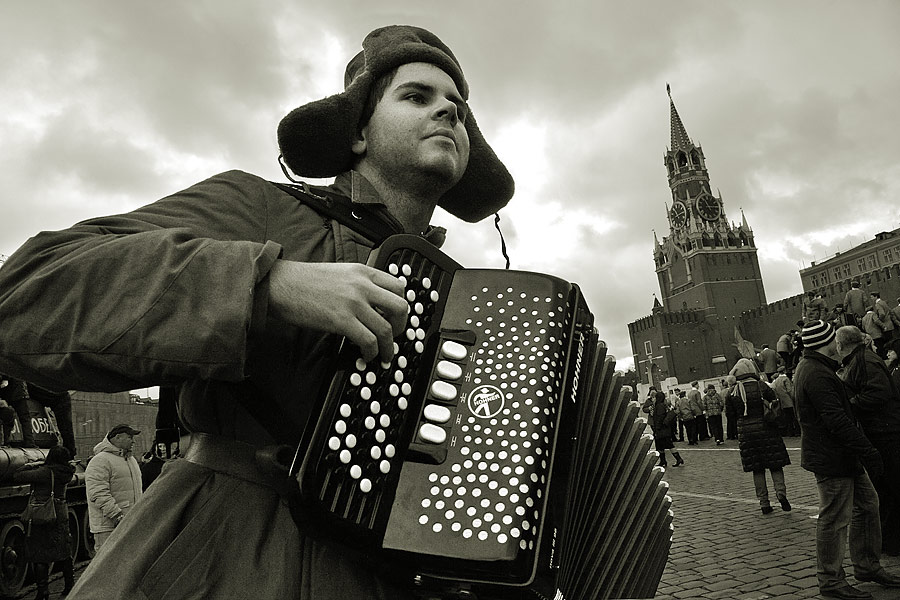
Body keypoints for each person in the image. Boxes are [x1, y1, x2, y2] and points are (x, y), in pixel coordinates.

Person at [0, 25, 514, 599]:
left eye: (458, 108)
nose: (448, 111)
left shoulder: (463, 299)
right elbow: (23, 293)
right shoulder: (262, 206)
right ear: (359, 135)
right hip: (231, 558)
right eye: (416, 96)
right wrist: (269, 284)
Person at [793, 320, 900, 599]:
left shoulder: (817, 368)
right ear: (826, 344)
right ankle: (830, 579)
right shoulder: (816, 373)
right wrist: (867, 450)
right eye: (833, 339)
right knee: (834, 518)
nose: (837, 344)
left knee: (867, 505)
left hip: (842, 454)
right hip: (832, 456)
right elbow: (836, 420)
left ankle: (866, 564)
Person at [835, 325, 900, 556]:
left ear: (841, 344)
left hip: (886, 433)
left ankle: (893, 541)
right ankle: (889, 540)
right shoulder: (860, 359)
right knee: (885, 488)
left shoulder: (865, 361)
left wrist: (850, 404)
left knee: (891, 487)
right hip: (881, 431)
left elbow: (879, 393)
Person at [13, 445, 77, 599]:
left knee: (40, 554)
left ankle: (43, 591)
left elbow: (17, 475)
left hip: (44, 514)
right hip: (60, 513)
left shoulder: (45, 472)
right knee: (64, 550)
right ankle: (69, 585)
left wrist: (31, 465)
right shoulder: (67, 472)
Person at [728, 358, 792, 515]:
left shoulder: (734, 391)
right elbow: (774, 402)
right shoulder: (761, 385)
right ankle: (781, 493)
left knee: (757, 469)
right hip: (767, 428)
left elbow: (730, 414)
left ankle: (764, 503)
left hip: (747, 433)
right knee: (775, 464)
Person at [85, 424, 143, 552]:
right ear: (117, 437)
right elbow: (98, 493)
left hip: (128, 523)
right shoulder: (100, 461)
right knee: (108, 562)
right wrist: (116, 515)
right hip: (109, 527)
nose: (133, 441)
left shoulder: (130, 460)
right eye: (130, 437)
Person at [643, 391, 683, 467]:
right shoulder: (662, 405)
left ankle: (676, 459)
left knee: (666, 444)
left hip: (661, 429)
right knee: (661, 445)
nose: (653, 399)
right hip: (664, 429)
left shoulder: (659, 406)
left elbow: (660, 418)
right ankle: (665, 460)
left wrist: (657, 428)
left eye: (655, 397)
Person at [770, 369, 800, 437]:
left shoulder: (776, 381)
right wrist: (794, 398)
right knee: (794, 417)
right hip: (789, 401)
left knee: (787, 418)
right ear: (784, 371)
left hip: (782, 402)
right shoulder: (786, 379)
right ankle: (797, 432)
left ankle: (789, 432)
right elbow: (789, 390)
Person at [723, 375, 743, 440]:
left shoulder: (729, 392)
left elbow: (727, 403)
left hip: (731, 411)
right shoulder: (740, 388)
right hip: (739, 409)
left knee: (732, 424)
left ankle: (733, 435)